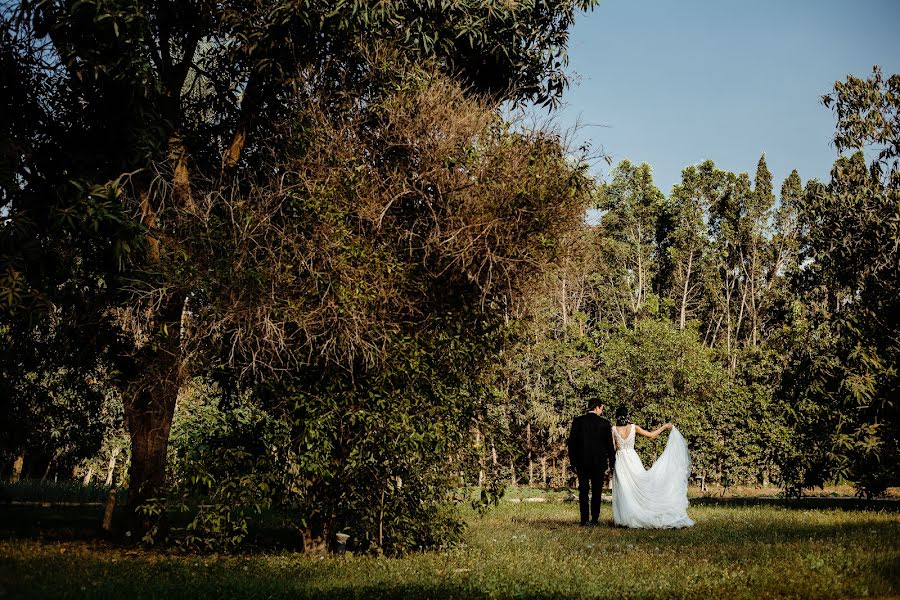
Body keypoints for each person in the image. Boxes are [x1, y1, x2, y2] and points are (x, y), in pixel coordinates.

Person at [610, 406, 694, 528]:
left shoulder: (613, 429)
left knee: (624, 488)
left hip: (620, 459)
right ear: (627, 416)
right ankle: (638, 513)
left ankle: (626, 517)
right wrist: (665, 427)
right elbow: (652, 435)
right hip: (632, 458)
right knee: (638, 484)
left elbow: (612, 448)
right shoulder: (634, 427)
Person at [567, 399, 616, 526]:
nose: (602, 411)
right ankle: (594, 519)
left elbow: (572, 443)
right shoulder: (604, 423)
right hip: (599, 463)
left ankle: (584, 520)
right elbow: (610, 446)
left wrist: (573, 462)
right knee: (596, 491)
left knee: (583, 490)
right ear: (597, 408)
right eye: (602, 408)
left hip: (582, 462)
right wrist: (612, 463)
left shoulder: (578, 421)